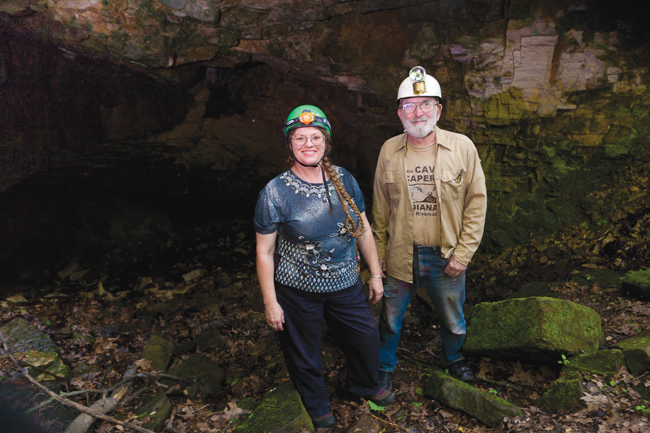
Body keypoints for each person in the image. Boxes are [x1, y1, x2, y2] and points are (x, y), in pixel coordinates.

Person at [255, 105, 395, 428]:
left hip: (345, 283)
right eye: (300, 137)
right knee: (304, 352)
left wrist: (374, 274)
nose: (308, 143)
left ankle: (362, 384)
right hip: (297, 289)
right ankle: (318, 407)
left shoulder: (343, 179)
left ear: (326, 142)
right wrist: (270, 301)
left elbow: (363, 229)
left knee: (366, 337)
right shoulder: (275, 193)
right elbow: (264, 252)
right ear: (289, 144)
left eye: (315, 137)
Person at [372, 68, 487, 388]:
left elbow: (477, 204)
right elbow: (380, 207)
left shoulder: (462, 147)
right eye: (409, 105)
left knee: (452, 316)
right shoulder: (388, 150)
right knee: (391, 318)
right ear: (399, 113)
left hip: (445, 252)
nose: (417, 111)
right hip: (399, 253)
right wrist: (378, 254)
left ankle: (456, 358)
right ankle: (385, 364)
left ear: (439, 109)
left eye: (425, 104)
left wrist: (463, 254)